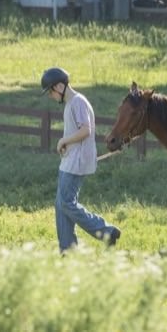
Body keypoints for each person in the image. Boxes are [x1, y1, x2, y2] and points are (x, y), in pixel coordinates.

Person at [40, 66, 121, 252]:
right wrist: (67, 144)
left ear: (60, 87)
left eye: (50, 91)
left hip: (76, 163)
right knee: (61, 205)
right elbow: (78, 132)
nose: (50, 96)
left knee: (66, 203)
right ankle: (68, 251)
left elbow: (86, 130)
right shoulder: (71, 104)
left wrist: (63, 140)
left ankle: (105, 231)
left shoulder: (77, 102)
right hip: (70, 161)